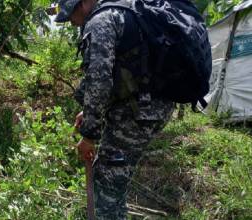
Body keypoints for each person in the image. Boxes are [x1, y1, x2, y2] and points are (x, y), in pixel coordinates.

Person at [54, 0, 175, 219]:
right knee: (114, 180)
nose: (71, 22)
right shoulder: (122, 11)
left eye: (70, 15)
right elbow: (122, 73)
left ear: (82, 4)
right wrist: (90, 113)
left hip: (139, 112)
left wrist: (89, 136)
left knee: (106, 182)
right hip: (150, 106)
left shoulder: (100, 22)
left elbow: (99, 82)